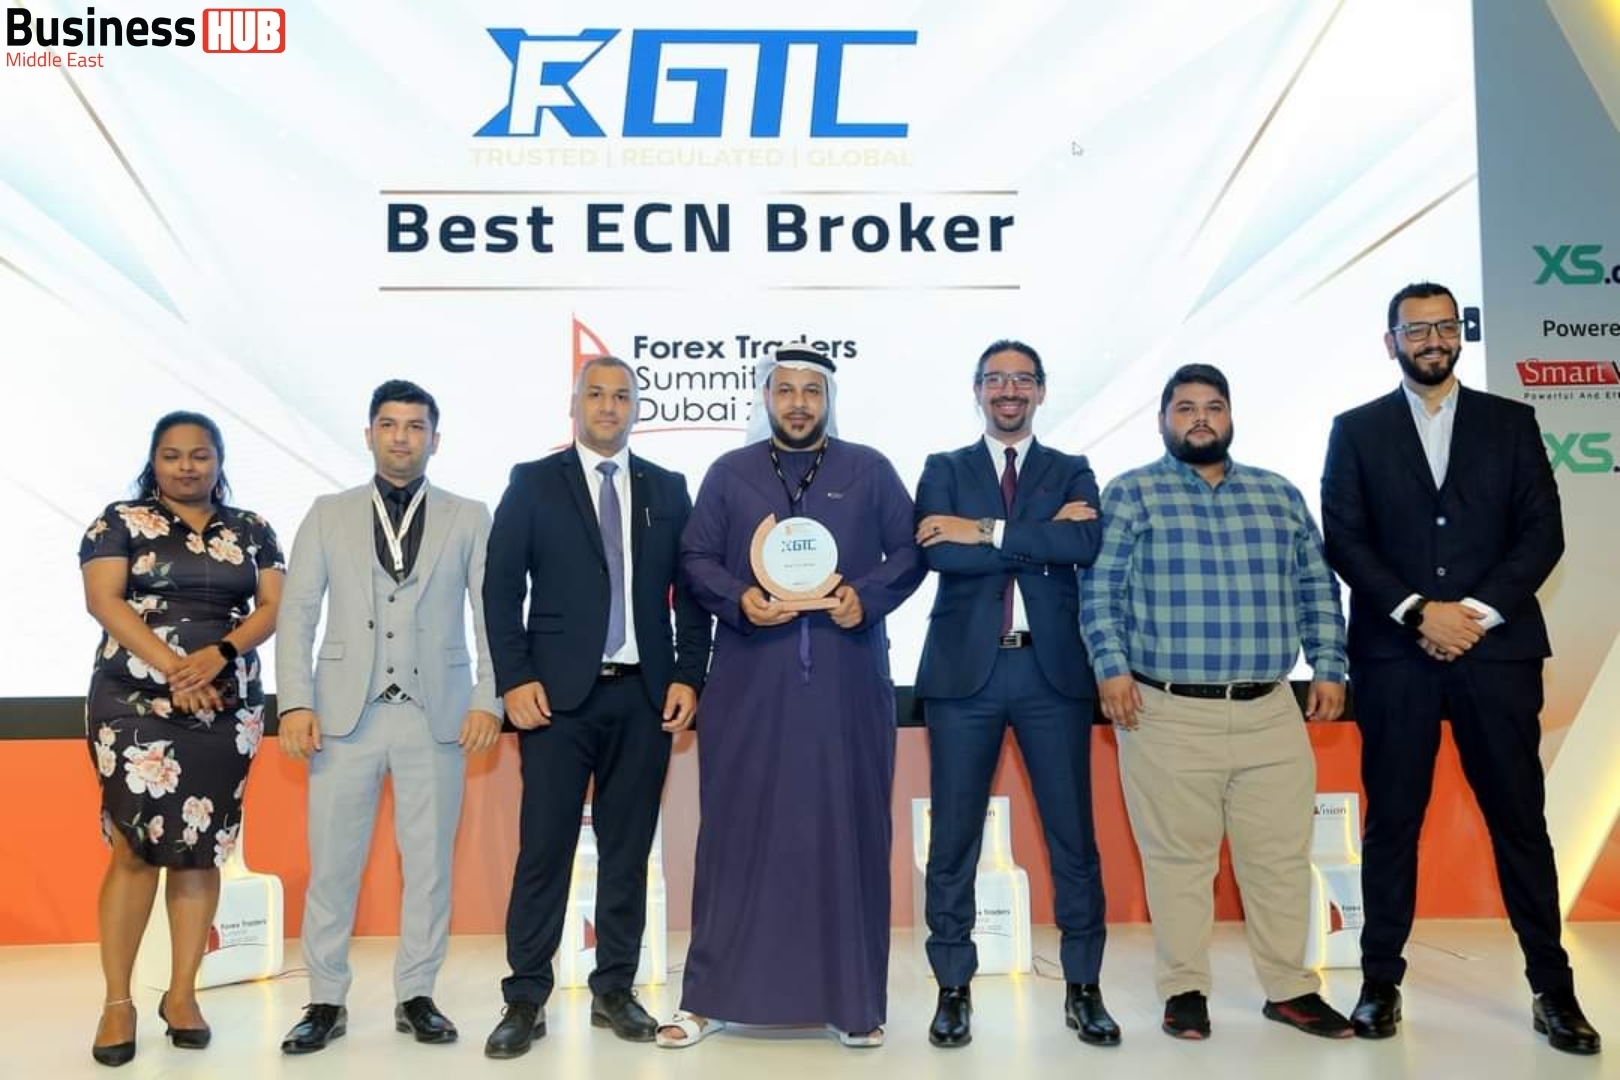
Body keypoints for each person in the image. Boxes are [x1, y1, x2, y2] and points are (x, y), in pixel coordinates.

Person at [1321, 281, 1600, 1056]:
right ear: (1391, 341)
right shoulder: (1356, 430)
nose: (1433, 340)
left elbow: (1543, 533)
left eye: (1445, 326)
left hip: (1497, 654)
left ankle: (1554, 991)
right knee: (1392, 825)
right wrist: (1419, 611)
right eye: (1417, 329)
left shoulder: (1513, 422)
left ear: (1460, 334)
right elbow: (1344, 538)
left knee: (1520, 824)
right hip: (1396, 656)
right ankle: (1380, 984)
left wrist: (1472, 614)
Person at [657, 344, 926, 1049]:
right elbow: (695, 558)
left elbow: (910, 551)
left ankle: (854, 1004)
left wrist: (864, 597)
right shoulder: (730, 473)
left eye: (812, 390)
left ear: (828, 398)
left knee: (848, 830)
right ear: (766, 398)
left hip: (845, 680)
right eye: (786, 390)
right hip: (751, 679)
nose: (799, 403)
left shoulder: (869, 468)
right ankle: (710, 999)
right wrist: (739, 597)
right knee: (736, 830)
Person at [1080, 364, 1353, 1041]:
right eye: (1185, 408)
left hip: (1270, 711)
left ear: (1231, 417)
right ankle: (1185, 990)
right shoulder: (1132, 493)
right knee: (1179, 864)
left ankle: (1291, 990)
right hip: (1165, 712)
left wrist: (1329, 664)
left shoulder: (1277, 494)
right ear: (1163, 421)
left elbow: (1317, 587)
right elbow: (1100, 593)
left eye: (1213, 406)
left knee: (1280, 861)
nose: (1200, 418)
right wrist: (1111, 670)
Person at [481, 356, 711, 1059]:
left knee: (627, 851)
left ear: (636, 407)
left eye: (621, 396)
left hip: (644, 696)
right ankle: (525, 997)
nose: (609, 407)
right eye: (596, 395)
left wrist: (689, 676)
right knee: (544, 850)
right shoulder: (532, 481)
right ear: (574, 403)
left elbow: (692, 594)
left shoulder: (668, 487)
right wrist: (514, 679)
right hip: (555, 701)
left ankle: (615, 989)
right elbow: (500, 589)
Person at [275, 380, 502, 1054]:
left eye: (415, 426)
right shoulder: (327, 513)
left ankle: (417, 994)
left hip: (437, 715)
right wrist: (295, 701)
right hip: (344, 716)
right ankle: (325, 999)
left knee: (429, 865)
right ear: (369, 433)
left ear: (436, 438)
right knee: (333, 864)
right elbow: (298, 612)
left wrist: (488, 697)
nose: (402, 437)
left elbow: (490, 614)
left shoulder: (469, 515)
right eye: (390, 424)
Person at [913, 339, 1119, 1048]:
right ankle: (952, 988)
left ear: (1041, 390)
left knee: (1073, 839)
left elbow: (1083, 546)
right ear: (977, 389)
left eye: (1022, 379)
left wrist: (985, 530)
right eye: (996, 379)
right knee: (953, 841)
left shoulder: (1072, 468)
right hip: (963, 679)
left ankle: (1084, 987)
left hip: (1050, 676)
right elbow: (939, 551)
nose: (1009, 390)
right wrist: (1037, 536)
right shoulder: (944, 468)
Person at [80, 411, 285, 1067]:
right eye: (172, 455)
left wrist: (218, 656)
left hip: (226, 702)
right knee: (135, 850)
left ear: (219, 461)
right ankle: (118, 1002)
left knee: (200, 850)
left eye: (200, 455)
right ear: (154, 461)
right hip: (133, 699)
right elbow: (104, 601)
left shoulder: (252, 528)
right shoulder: (118, 521)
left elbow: (272, 607)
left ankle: (183, 994)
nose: (187, 466)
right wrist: (175, 669)